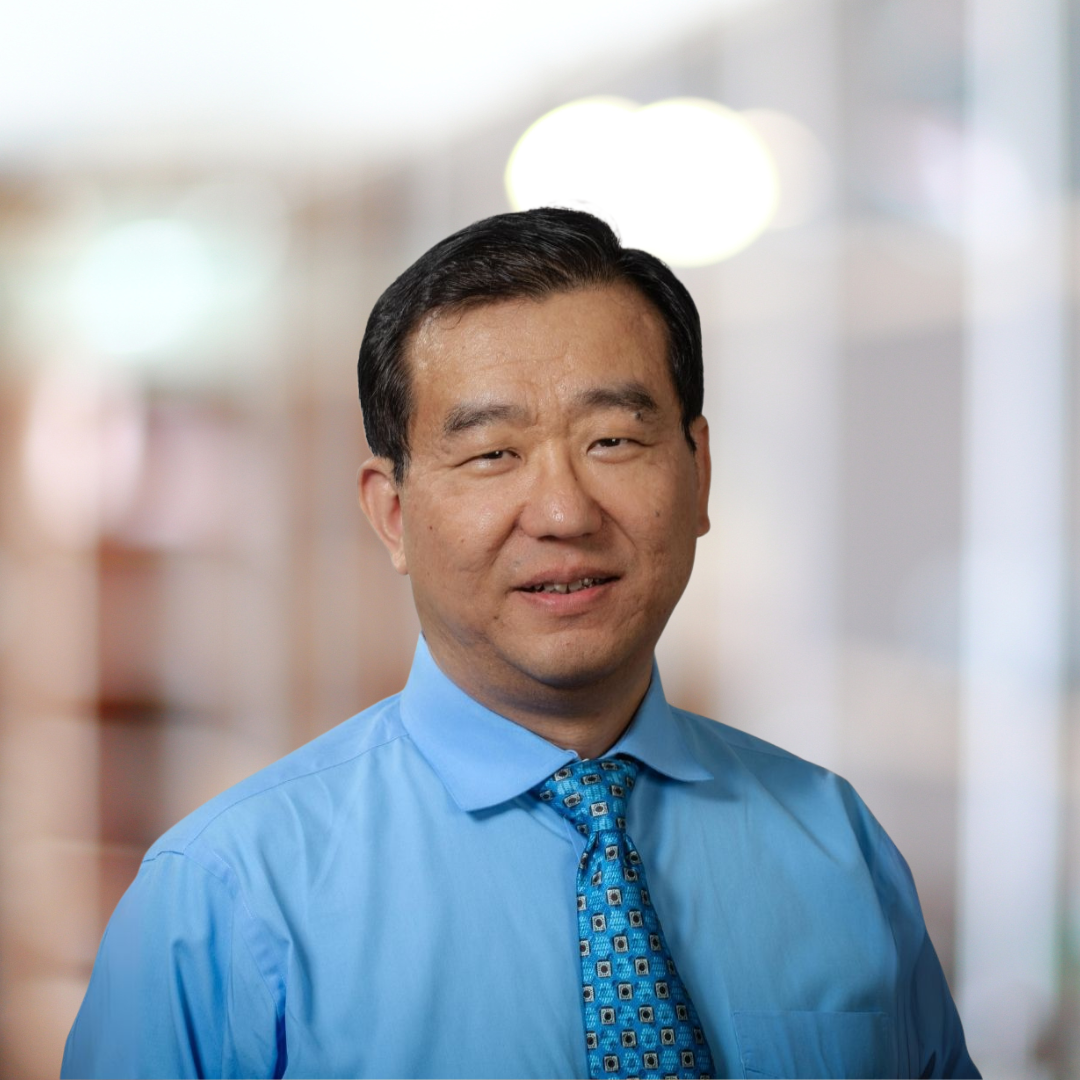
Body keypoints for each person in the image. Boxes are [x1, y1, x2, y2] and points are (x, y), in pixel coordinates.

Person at [62, 207, 978, 1079]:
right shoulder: (225, 895)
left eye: (614, 440)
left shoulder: (834, 844)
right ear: (391, 515)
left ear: (699, 475)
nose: (562, 512)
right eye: (492, 453)